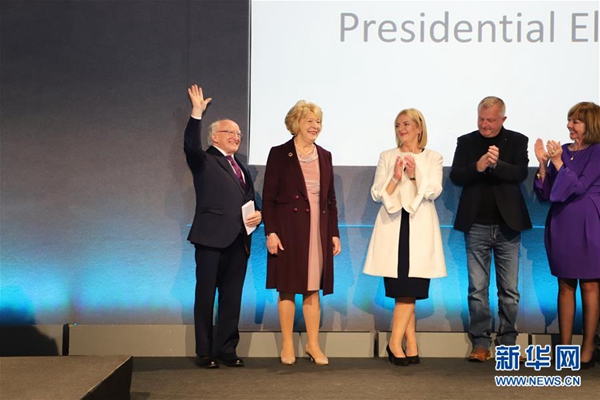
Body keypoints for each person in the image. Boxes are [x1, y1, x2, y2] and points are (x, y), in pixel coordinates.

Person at [184, 84, 262, 368]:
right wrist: (196, 113)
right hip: (210, 239)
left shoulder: (241, 167)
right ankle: (204, 352)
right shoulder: (203, 159)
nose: (237, 137)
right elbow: (190, 145)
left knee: (231, 299)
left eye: (239, 134)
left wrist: (259, 215)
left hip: (239, 241)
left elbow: (248, 199)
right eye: (231, 132)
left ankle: (227, 349)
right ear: (215, 136)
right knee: (205, 297)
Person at [450, 96, 532, 362]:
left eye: (491, 120)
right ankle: (480, 343)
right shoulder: (466, 141)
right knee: (477, 289)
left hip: (508, 225)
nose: (485, 125)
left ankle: (507, 343)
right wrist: (478, 166)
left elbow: (520, 173)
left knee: (509, 291)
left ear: (503, 119)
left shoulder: (517, 140)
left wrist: (497, 164)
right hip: (476, 224)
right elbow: (456, 176)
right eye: (481, 119)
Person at [363, 108, 447, 366]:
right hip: (393, 227)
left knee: (411, 290)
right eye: (398, 125)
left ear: (419, 128)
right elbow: (377, 193)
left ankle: (400, 342)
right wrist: (396, 177)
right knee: (403, 291)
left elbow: (433, 191)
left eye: (407, 124)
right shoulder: (387, 156)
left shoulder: (433, 157)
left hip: (419, 227)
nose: (402, 129)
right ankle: (406, 344)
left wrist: (413, 175)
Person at [262, 100, 341, 366]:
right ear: (296, 123)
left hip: (318, 229)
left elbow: (330, 199)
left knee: (312, 288)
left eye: (318, 121)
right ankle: (287, 344)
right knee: (287, 287)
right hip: (288, 228)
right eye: (310, 121)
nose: (315, 126)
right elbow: (269, 198)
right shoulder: (279, 153)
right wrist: (271, 232)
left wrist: (334, 233)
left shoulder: (325, 155)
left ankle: (312, 344)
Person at [533, 101, 600, 369]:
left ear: (590, 124)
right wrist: (543, 165)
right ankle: (564, 347)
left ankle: (588, 346)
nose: (569, 125)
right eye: (570, 120)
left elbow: (578, 187)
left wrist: (559, 163)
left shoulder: (597, 151)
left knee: (590, 284)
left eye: (575, 121)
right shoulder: (562, 151)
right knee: (565, 284)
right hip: (562, 222)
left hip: (589, 222)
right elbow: (548, 193)